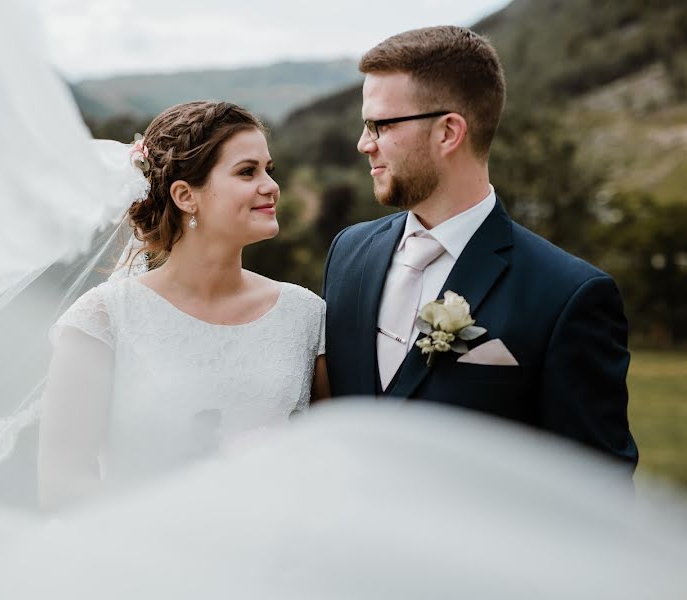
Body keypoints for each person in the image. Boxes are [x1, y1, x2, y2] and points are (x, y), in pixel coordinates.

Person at [321, 26, 637, 468]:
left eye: (380, 124)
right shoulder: (348, 254)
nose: (363, 144)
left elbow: (597, 492)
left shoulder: (568, 295)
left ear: (449, 132)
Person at [38, 101, 330, 509]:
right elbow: (62, 485)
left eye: (269, 170)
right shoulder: (102, 319)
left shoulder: (306, 315)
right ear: (184, 196)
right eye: (248, 172)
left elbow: (331, 464)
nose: (270, 186)